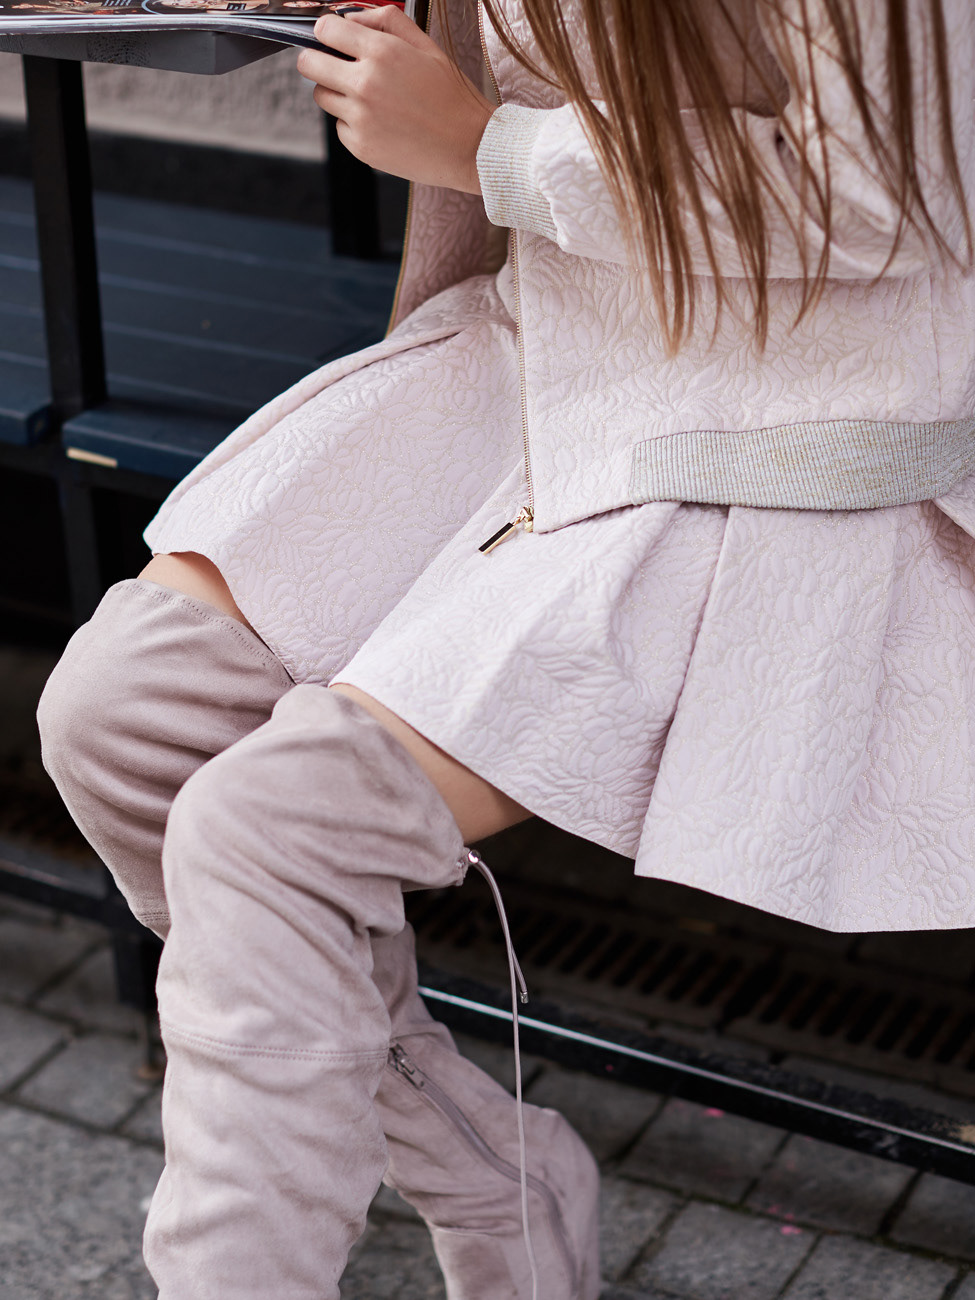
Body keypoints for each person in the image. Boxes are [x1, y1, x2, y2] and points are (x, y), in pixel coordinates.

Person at [36, 0, 975, 1295]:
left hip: (783, 419)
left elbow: (888, 193)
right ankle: (495, 1179)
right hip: (539, 351)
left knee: (270, 828)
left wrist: (496, 151)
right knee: (122, 719)